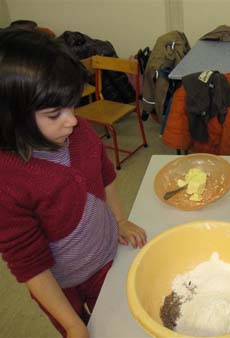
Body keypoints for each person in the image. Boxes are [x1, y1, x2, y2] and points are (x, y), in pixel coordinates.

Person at [0, 29, 147, 338]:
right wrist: (70, 323)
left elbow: (105, 176)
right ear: (11, 117)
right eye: (55, 114)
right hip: (62, 287)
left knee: (115, 321)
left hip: (107, 257)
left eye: (73, 105)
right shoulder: (8, 182)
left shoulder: (80, 135)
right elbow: (30, 266)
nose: (73, 120)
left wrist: (120, 219)